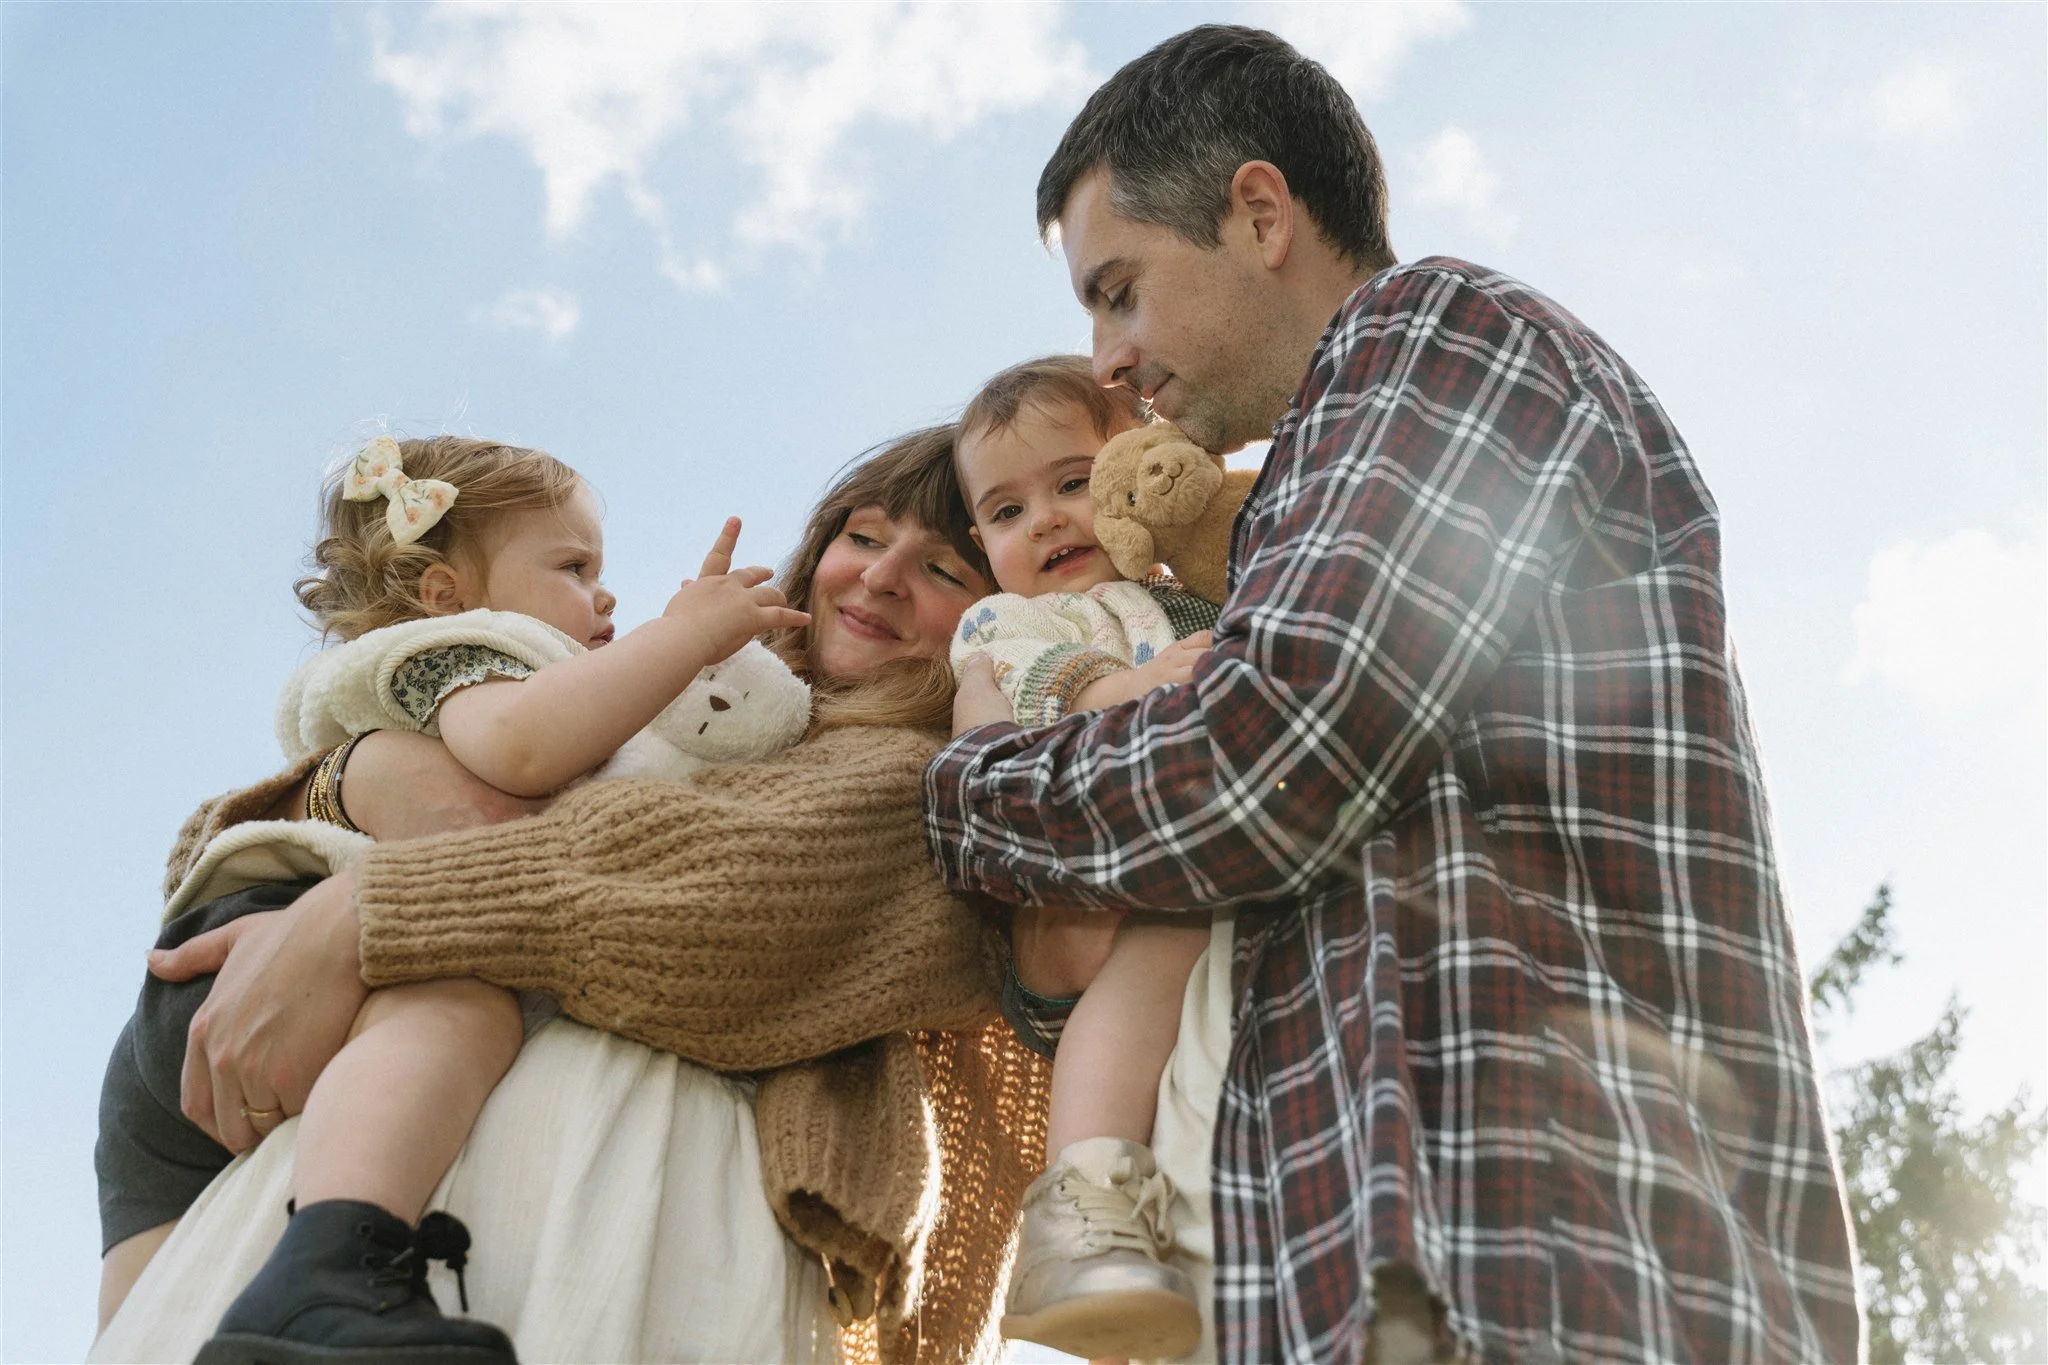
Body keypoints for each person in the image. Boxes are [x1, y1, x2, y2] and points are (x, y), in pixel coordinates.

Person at [925, 25, 1860, 1365]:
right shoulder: (1304, 491)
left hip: (1548, 1251)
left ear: (1258, 213)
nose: (1110, 357)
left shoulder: (1438, 335)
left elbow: (1265, 757)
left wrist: (964, 791)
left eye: (1121, 289)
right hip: (1385, 1270)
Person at [91, 427, 1050, 1365]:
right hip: (341, 1206)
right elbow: (229, 836)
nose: (881, 577)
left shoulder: (950, 780)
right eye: (865, 536)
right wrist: (348, 778)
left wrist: (368, 904)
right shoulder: (688, 707)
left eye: (946, 572)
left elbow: (713, 888)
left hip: (623, 1220)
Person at [945, 355, 1214, 1359]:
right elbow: (1026, 687)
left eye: (1070, 483)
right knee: (1161, 936)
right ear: (980, 543)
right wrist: (1123, 689)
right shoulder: (1004, 620)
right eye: (1006, 511)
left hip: (1214, 921)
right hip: (1097, 908)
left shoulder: (1193, 595)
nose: (1047, 521)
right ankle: (1083, 1206)